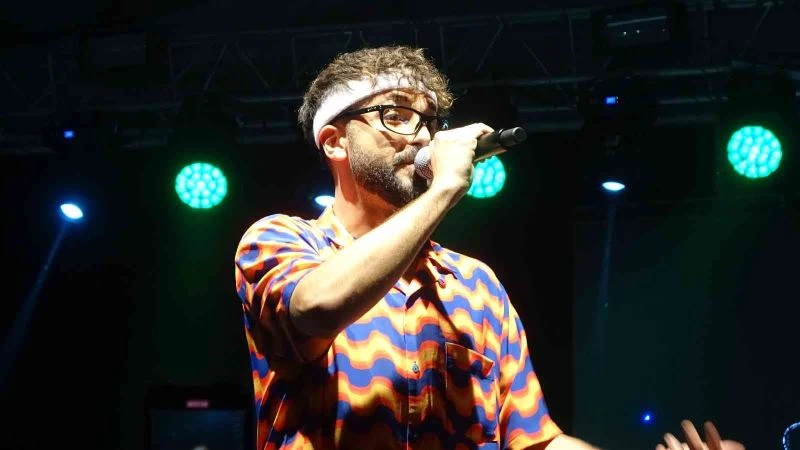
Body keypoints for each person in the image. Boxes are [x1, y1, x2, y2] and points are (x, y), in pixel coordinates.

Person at [233, 45, 744, 450]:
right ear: (335, 141)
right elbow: (316, 308)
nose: (422, 138)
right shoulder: (281, 240)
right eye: (397, 115)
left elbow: (534, 441)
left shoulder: (475, 285)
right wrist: (444, 189)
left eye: (429, 121)